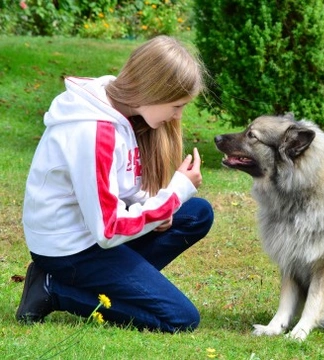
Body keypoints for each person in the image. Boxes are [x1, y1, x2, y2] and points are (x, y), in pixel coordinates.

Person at [15, 35, 214, 333]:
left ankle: (119, 281)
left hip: (89, 234)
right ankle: (53, 289)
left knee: (196, 213)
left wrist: (154, 208)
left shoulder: (118, 108)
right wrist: (174, 193)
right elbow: (109, 230)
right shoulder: (96, 132)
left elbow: (117, 189)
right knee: (181, 318)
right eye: (176, 105)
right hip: (69, 249)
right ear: (153, 90)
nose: (178, 115)